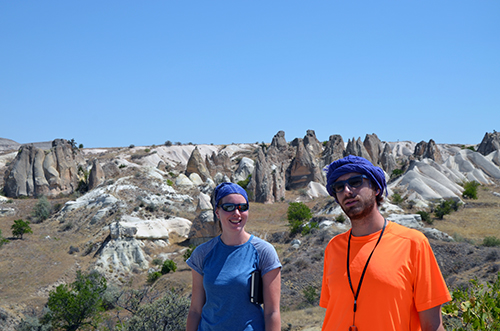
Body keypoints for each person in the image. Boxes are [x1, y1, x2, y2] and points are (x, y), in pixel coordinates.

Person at [320, 155, 451, 331]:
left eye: (356, 182)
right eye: (339, 187)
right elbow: (336, 312)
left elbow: (432, 325)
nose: (347, 191)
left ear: (375, 188)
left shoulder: (413, 243)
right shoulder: (333, 248)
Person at [186, 182, 282, 331]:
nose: (236, 213)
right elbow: (195, 310)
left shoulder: (264, 252)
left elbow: (272, 312)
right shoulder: (202, 254)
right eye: (229, 207)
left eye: (242, 207)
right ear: (217, 212)